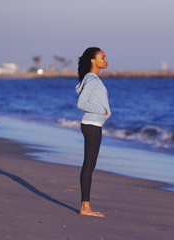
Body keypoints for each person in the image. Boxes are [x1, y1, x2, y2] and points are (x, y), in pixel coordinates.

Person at [75, 47, 111, 217]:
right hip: (91, 124)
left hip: (93, 125)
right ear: (93, 60)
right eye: (102, 58)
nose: (106, 60)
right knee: (88, 165)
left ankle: (85, 205)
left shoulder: (92, 79)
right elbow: (81, 103)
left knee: (90, 165)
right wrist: (102, 111)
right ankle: (85, 207)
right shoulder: (92, 80)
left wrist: (103, 113)